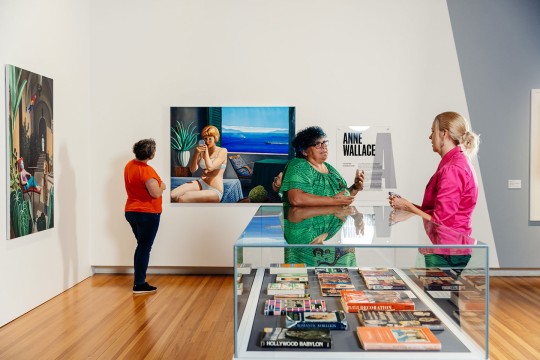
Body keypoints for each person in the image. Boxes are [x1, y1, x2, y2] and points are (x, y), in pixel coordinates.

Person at [388, 111, 480, 268]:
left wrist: (408, 207)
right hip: (450, 249)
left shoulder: (453, 168)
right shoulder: (455, 163)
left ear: (444, 134)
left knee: (437, 293)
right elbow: (440, 212)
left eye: (432, 131)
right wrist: (410, 208)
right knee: (439, 293)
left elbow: (441, 222)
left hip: (448, 252)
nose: (430, 137)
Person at [279, 126, 364, 206]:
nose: (324, 147)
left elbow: (341, 198)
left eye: (324, 143)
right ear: (304, 151)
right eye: (317, 144)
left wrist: (355, 188)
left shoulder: (330, 168)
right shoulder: (298, 165)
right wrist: (334, 201)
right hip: (306, 221)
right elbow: (296, 199)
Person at [124, 139, 166, 294]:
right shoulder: (147, 172)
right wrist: (162, 186)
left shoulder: (129, 165)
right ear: (150, 154)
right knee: (144, 247)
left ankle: (139, 281)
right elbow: (155, 193)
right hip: (147, 213)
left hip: (131, 211)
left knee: (142, 246)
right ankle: (139, 284)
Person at [170, 125, 227, 203]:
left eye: (210, 139)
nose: (207, 141)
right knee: (172, 195)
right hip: (201, 183)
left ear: (215, 138)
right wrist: (196, 153)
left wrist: (206, 152)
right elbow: (192, 170)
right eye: (205, 139)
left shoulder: (222, 151)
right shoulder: (201, 151)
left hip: (215, 190)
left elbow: (210, 167)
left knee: (183, 199)